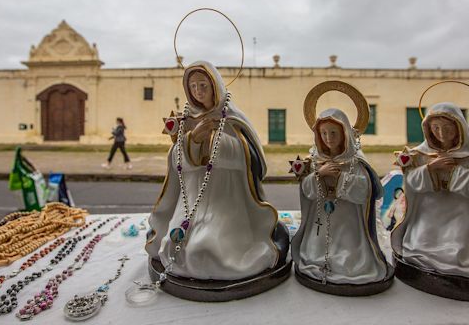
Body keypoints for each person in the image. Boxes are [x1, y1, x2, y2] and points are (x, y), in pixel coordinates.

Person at [145, 61, 288, 283]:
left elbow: (252, 160)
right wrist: (193, 139)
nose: (198, 91)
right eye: (193, 86)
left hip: (227, 201)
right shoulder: (186, 119)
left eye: (203, 85)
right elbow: (177, 161)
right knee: (174, 247)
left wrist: (213, 140)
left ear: (215, 86)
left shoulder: (231, 117)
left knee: (206, 252)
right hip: (191, 200)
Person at [291, 108, 390, 291]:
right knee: (317, 249)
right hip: (320, 220)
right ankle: (319, 261)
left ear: (344, 133)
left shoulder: (355, 161)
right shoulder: (314, 160)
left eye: (334, 132)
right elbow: (307, 191)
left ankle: (350, 263)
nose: (328, 137)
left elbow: (365, 190)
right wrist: (319, 175)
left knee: (350, 256)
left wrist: (340, 179)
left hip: (349, 221)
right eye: (324, 133)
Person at [392, 102, 469, 298]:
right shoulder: (420, 154)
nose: (441, 133)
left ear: (459, 127)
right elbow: (410, 182)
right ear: (428, 129)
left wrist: (454, 172)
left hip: (460, 210)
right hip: (429, 210)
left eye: (447, 128)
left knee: (460, 240)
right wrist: (430, 169)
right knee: (420, 237)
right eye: (436, 128)